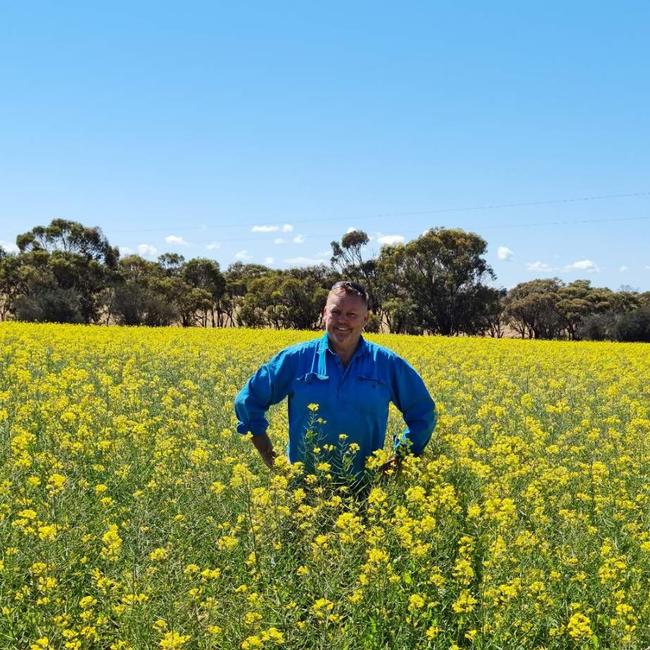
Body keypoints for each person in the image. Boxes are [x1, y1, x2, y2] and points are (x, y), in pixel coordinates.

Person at [234, 281, 437, 479]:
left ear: (365, 319)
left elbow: (423, 413)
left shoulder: (387, 363)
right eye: (336, 312)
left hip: (365, 489)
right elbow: (247, 401)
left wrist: (397, 462)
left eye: (351, 315)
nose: (342, 320)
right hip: (304, 489)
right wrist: (274, 461)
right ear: (324, 314)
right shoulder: (295, 359)